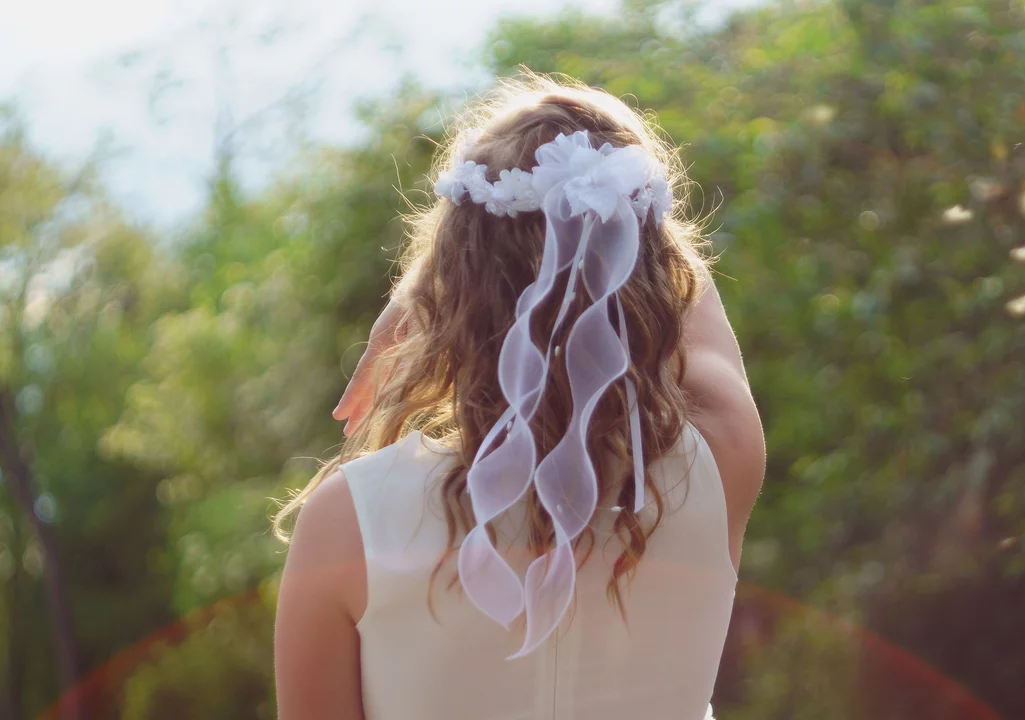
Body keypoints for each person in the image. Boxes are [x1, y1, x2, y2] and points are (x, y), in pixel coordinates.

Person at [272, 73, 765, 719]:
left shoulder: (348, 521)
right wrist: (610, 211)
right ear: (645, 262)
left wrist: (431, 273)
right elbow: (689, 301)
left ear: (456, 285)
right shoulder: (717, 461)